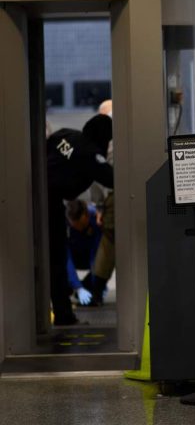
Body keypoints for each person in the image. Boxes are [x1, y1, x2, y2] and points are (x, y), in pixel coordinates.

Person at [47, 114, 113, 325]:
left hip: (33, 199)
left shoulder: (64, 134)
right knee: (57, 258)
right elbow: (112, 178)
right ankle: (63, 315)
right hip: (49, 204)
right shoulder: (90, 153)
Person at [65, 200, 101, 306]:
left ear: (87, 216)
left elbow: (95, 255)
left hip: (88, 255)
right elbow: (66, 257)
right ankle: (70, 287)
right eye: (75, 226)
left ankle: (90, 286)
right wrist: (78, 287)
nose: (79, 229)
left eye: (82, 225)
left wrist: (98, 283)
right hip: (73, 255)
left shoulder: (96, 219)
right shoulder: (64, 223)